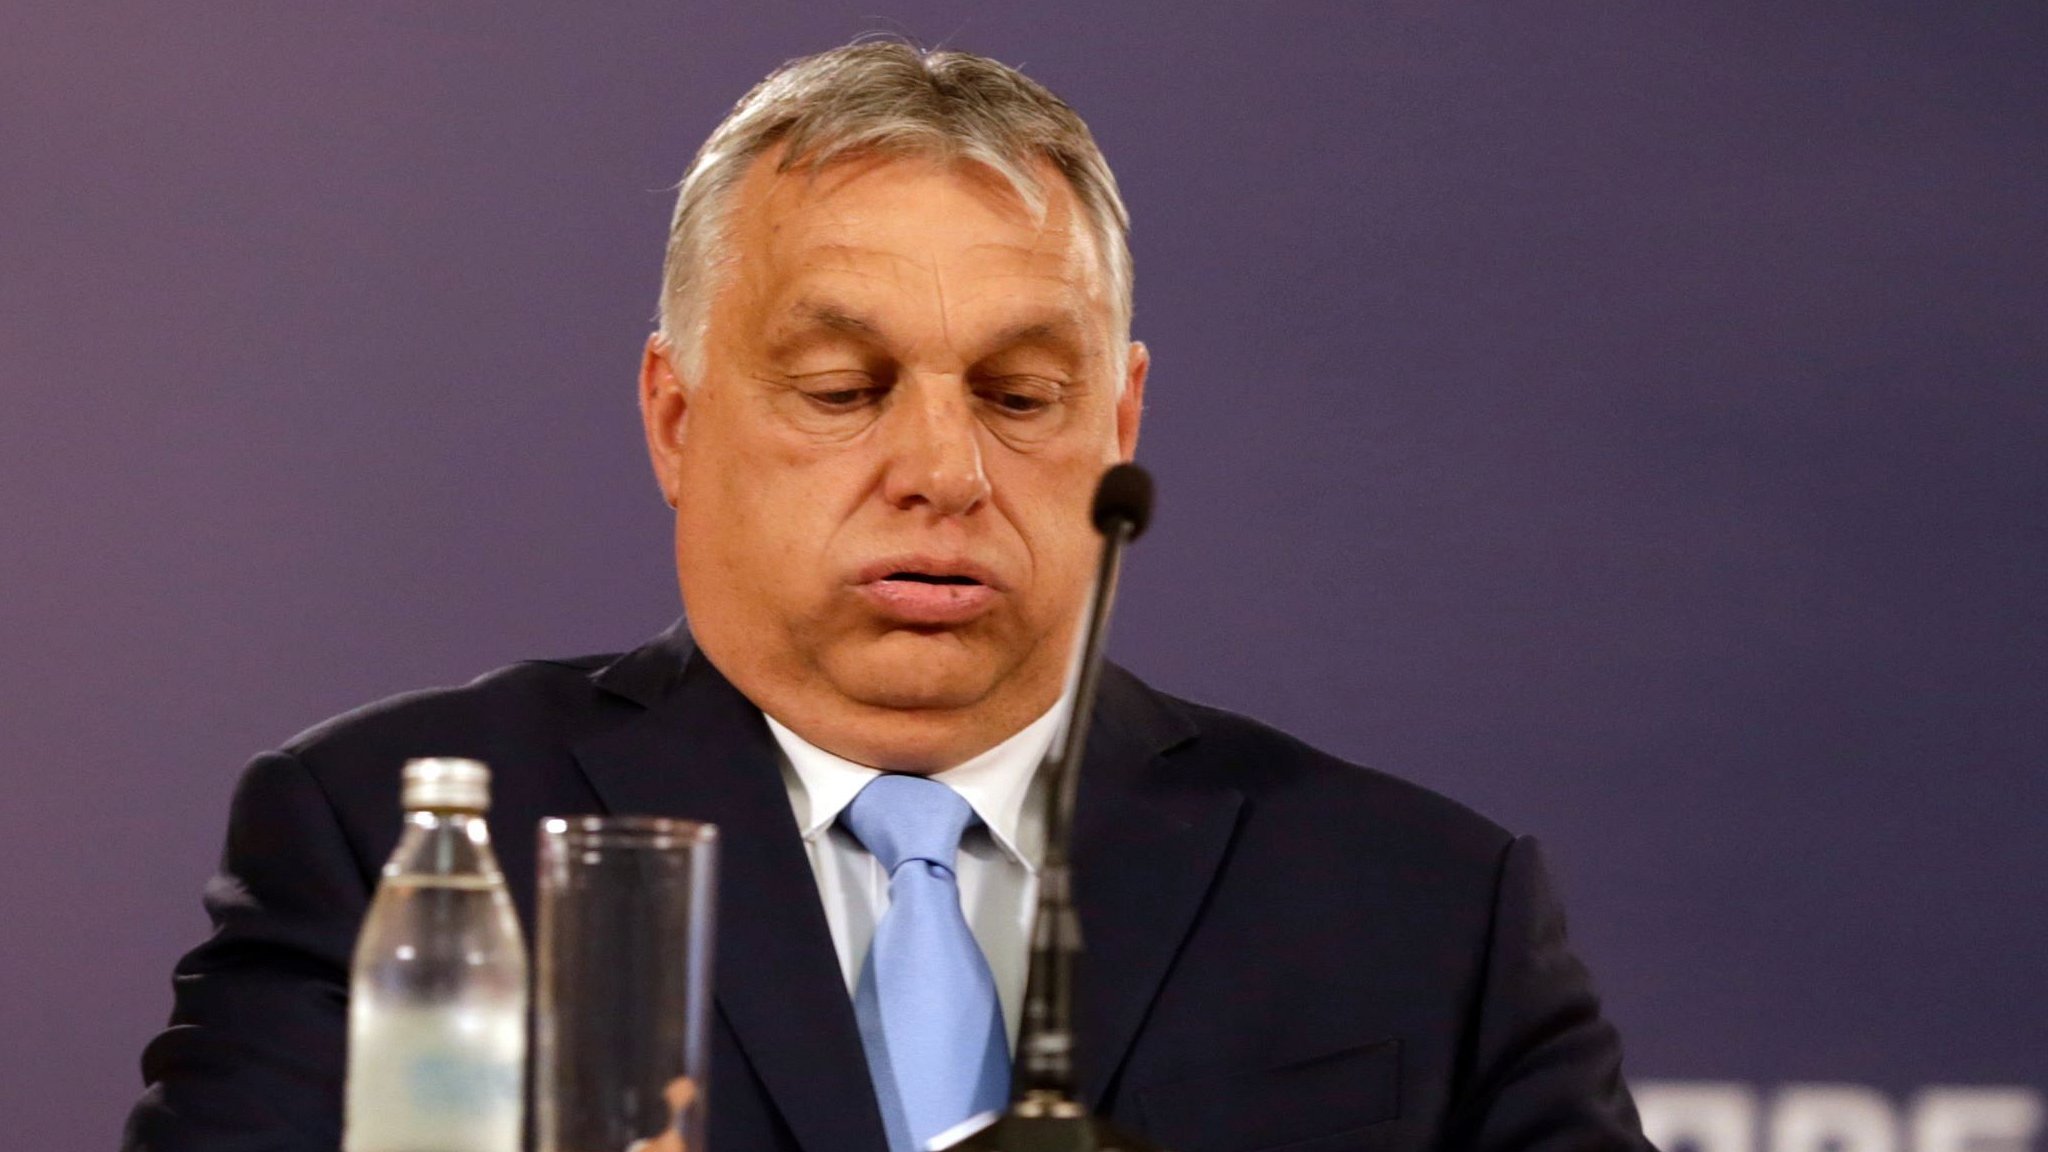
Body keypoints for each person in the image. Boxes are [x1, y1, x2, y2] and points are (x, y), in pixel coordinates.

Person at [124, 41, 1654, 1152]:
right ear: (676, 419)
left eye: (1022, 395)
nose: (942, 470)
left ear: (1120, 426)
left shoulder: (1425, 907)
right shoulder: (396, 843)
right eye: (845, 389)